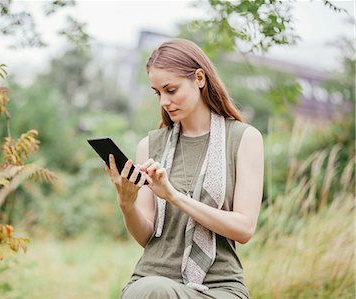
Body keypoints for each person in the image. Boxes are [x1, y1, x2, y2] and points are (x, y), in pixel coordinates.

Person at [104, 38, 264, 299]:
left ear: (199, 78)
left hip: (219, 286)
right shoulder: (151, 145)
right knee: (151, 289)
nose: (164, 102)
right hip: (154, 278)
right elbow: (147, 236)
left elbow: (244, 228)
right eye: (157, 93)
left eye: (171, 89)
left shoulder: (244, 139)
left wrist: (173, 196)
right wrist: (126, 202)